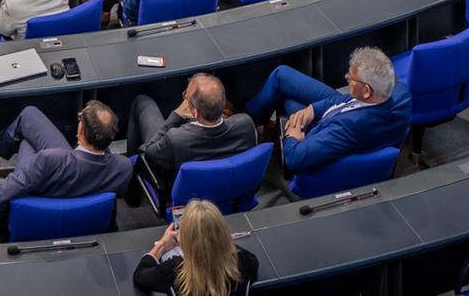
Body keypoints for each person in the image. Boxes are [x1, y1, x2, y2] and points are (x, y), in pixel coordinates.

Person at [242, 48, 407, 177]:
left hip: (327, 130)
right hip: (346, 111)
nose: (346, 77)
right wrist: (312, 109)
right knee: (281, 75)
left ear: (366, 90)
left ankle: (243, 129)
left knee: (288, 98)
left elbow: (293, 160)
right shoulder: (400, 92)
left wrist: (293, 136)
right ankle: (249, 121)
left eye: (351, 78)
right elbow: (347, 99)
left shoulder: (348, 128)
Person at [0, 100, 132, 234]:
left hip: (34, 223)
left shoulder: (48, 161)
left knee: (28, 125)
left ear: (81, 129)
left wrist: (4, 186)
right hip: (85, 225)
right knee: (29, 133)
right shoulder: (123, 168)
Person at [128, 74, 258, 204]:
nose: (184, 98)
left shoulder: (176, 140)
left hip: (191, 208)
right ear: (224, 103)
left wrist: (175, 116)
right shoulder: (246, 124)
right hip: (234, 198)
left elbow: (147, 153)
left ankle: (132, 193)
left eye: (186, 97)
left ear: (195, 112)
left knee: (142, 102)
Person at [136, 200, 261, 296]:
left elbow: (140, 276)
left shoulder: (173, 270)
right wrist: (216, 241)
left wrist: (162, 244)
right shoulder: (245, 262)